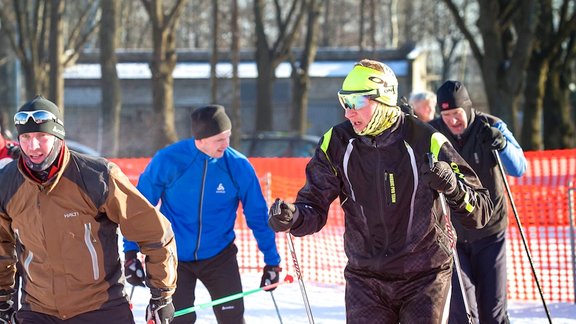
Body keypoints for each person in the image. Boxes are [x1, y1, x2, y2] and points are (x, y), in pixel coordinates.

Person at [267, 59, 494, 323]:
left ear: (383, 99)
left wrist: (452, 186)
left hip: (424, 276)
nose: (348, 113)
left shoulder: (425, 140)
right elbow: (313, 206)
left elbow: (480, 211)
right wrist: (293, 216)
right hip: (366, 279)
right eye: (344, 103)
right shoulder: (337, 143)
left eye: (356, 103)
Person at [0, 96, 177, 324]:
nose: (32, 146)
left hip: (101, 308)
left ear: (57, 136)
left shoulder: (97, 176)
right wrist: (3, 299)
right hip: (38, 310)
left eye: (41, 137)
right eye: (26, 137)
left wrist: (161, 295)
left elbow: (154, 232)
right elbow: (2, 247)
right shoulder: (7, 183)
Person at [123, 104, 281, 324]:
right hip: (174, 257)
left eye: (228, 136)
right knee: (178, 319)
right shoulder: (169, 161)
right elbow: (140, 209)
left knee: (232, 318)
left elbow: (257, 215)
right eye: (219, 139)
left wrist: (272, 262)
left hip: (220, 255)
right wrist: (130, 254)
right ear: (200, 140)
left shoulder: (237, 166)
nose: (226, 144)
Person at [430, 80, 527, 324]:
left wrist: (502, 144)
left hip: (490, 235)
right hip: (453, 237)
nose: (453, 120)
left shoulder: (490, 126)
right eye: (446, 114)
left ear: (468, 108)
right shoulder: (433, 133)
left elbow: (519, 167)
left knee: (492, 310)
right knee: (461, 311)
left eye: (457, 113)